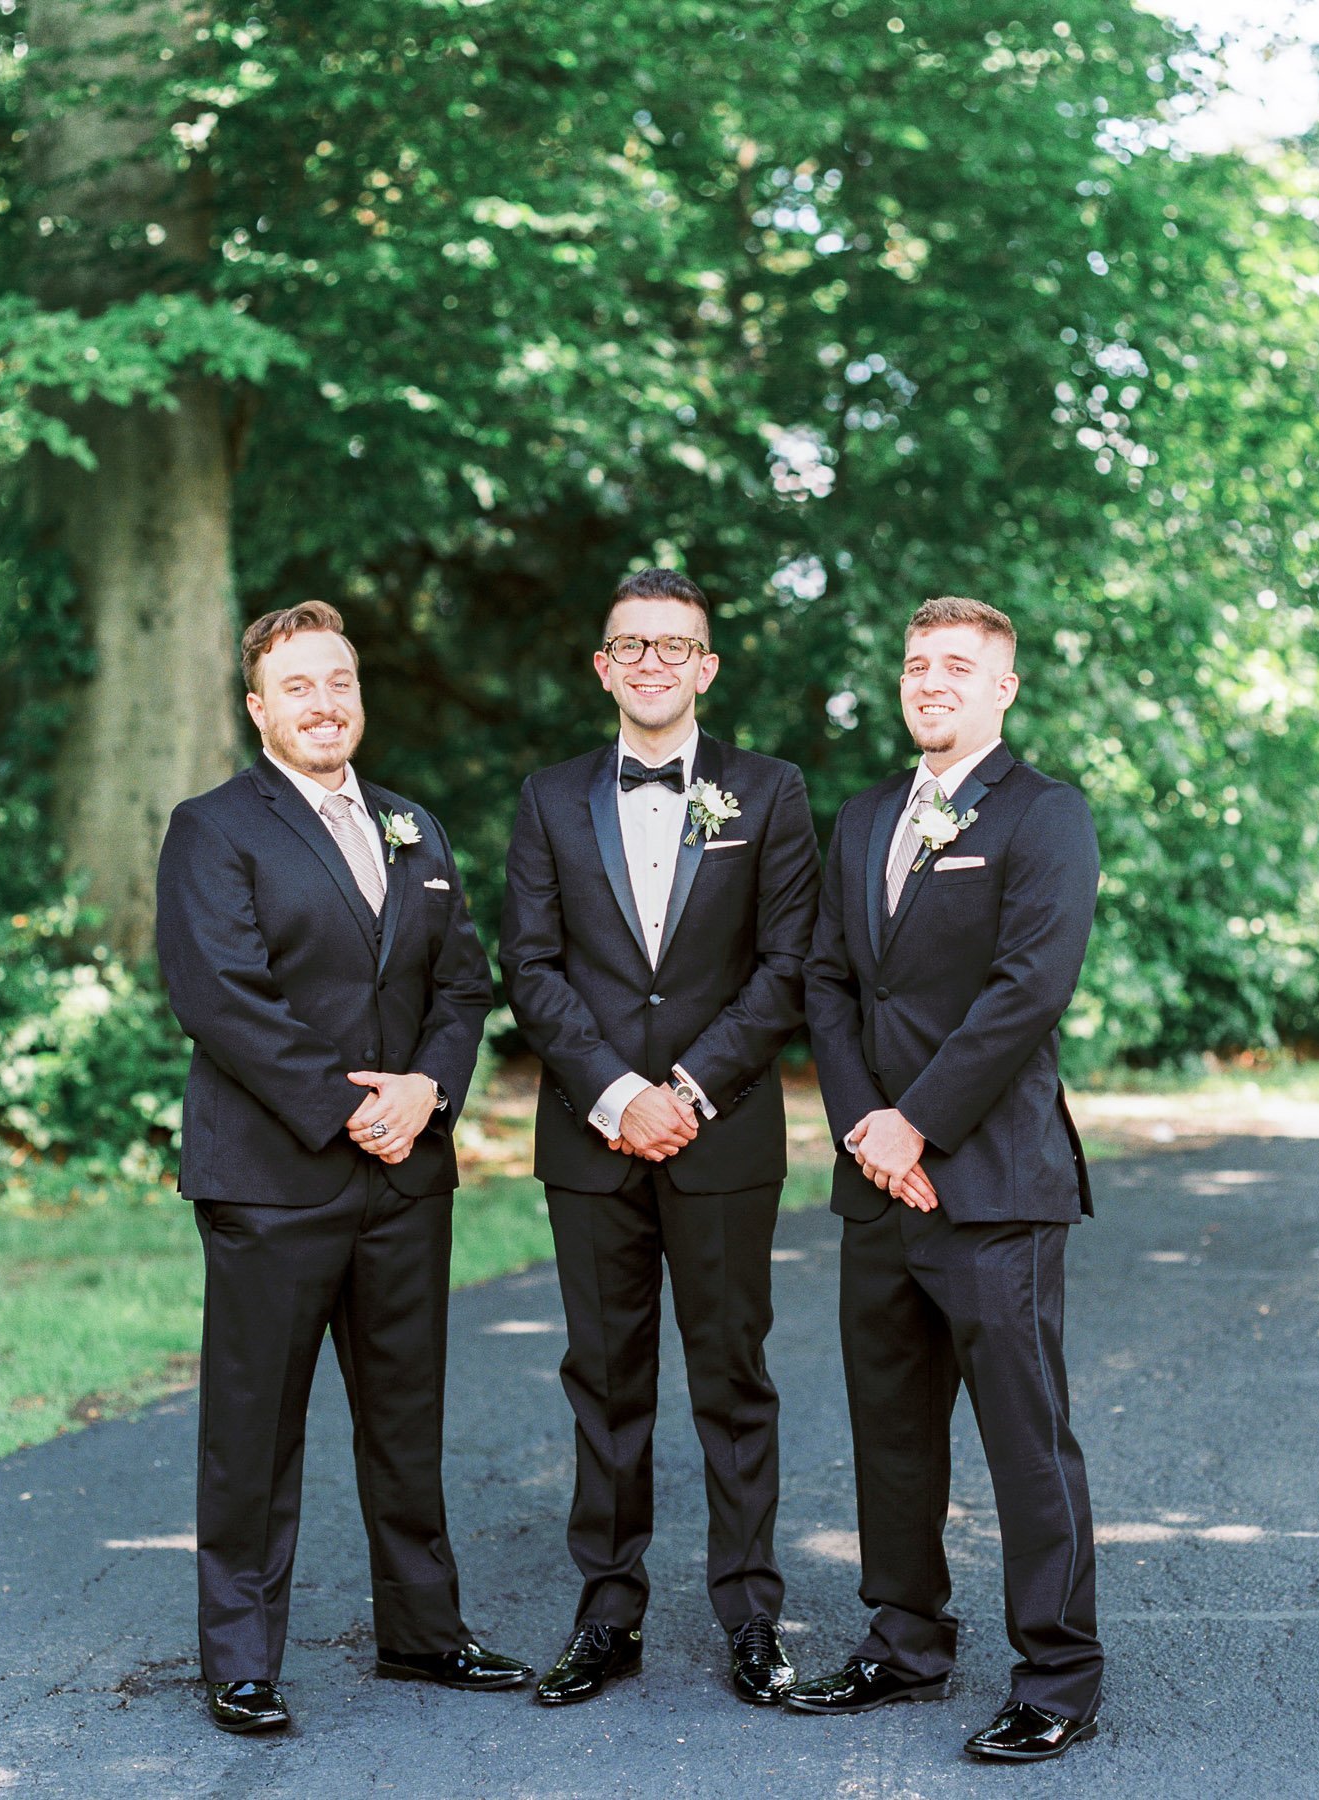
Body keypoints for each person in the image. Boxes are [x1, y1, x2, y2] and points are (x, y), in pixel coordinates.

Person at [156, 602, 531, 1734]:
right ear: (259, 708)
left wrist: (426, 1092)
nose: (326, 704)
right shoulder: (214, 827)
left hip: (406, 1174)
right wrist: (342, 1109)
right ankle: (240, 1659)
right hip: (273, 1175)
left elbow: (463, 985)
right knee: (255, 1427)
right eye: (300, 687)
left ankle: (423, 1635)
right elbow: (220, 994)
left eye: (341, 681)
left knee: (406, 1416)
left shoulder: (415, 826)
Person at [500, 568, 820, 1707]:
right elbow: (528, 968)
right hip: (590, 1142)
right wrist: (614, 1093)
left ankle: (750, 1614)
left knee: (733, 1378)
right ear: (602, 665)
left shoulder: (770, 793)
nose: (649, 663)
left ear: (706, 667)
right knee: (603, 1378)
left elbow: (789, 966)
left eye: (672, 646)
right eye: (629, 644)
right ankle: (608, 1612)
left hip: (723, 1135)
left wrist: (683, 1088)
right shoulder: (547, 797)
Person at [792, 595, 1104, 1764]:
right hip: (877, 1175)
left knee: (1027, 1439)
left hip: (999, 1181)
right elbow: (829, 983)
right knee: (893, 1427)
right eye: (918, 662)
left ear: (1003, 689)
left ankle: (1060, 1672)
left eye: (958, 667)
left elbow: (1028, 991)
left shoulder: (1044, 816)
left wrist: (917, 1125)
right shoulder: (867, 814)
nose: (932, 681)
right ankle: (903, 1641)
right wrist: (868, 1128)